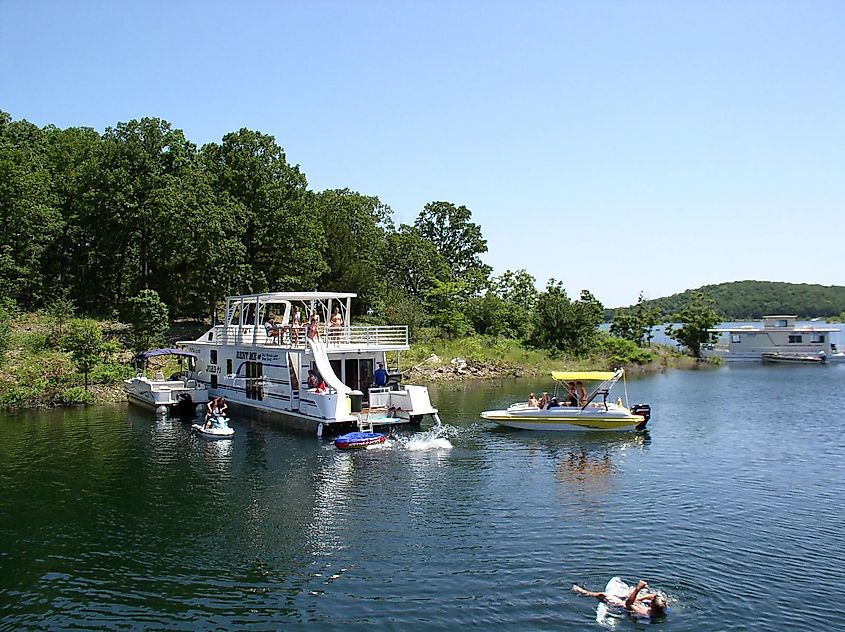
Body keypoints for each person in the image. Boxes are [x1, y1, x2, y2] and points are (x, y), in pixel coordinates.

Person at [572, 580, 667, 619]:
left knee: (604, 595)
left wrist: (638, 589)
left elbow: (628, 604)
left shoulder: (644, 612)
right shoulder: (662, 607)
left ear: (652, 605)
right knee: (631, 592)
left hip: (623, 607)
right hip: (636, 603)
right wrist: (639, 598)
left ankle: (583, 592)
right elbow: (654, 596)